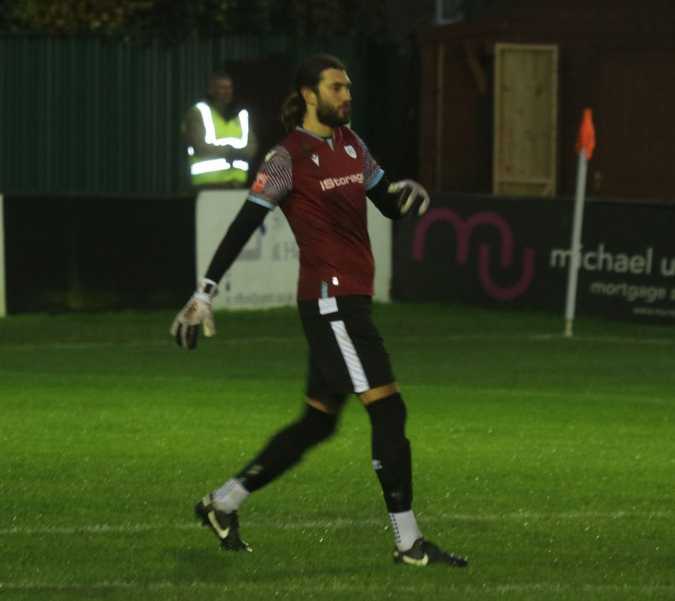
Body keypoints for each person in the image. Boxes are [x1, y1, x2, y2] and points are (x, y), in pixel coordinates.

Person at [170, 54, 468, 567]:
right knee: (388, 409)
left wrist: (407, 197)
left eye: (348, 87)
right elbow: (244, 224)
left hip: (348, 300)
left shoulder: (353, 145)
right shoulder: (286, 157)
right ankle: (409, 543)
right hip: (331, 303)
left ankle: (223, 503)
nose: (346, 95)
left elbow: (385, 202)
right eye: (336, 87)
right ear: (310, 94)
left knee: (317, 423)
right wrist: (205, 290)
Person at [182, 72, 259, 188]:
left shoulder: (241, 115)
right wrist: (229, 152)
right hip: (208, 183)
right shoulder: (199, 113)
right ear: (211, 91)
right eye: (222, 88)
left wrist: (243, 153)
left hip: (237, 182)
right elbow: (199, 145)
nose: (227, 92)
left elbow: (252, 143)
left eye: (229, 88)